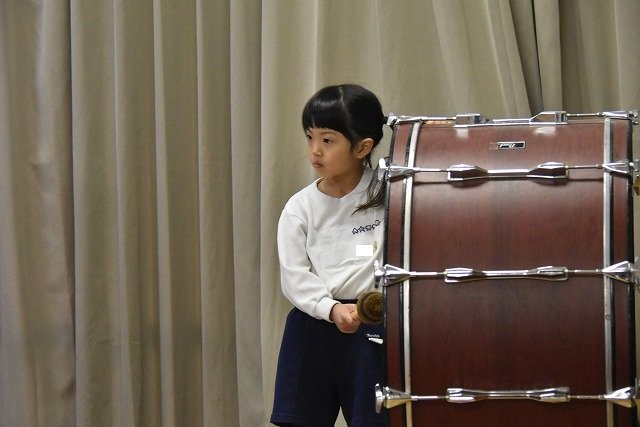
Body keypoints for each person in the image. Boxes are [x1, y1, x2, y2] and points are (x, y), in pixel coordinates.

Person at [270, 84, 387, 427]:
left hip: (371, 327)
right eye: (310, 137)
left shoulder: (390, 194)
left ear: (362, 147)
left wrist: (358, 310)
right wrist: (330, 309)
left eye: (328, 140)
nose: (314, 150)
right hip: (313, 326)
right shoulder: (299, 207)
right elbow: (295, 275)